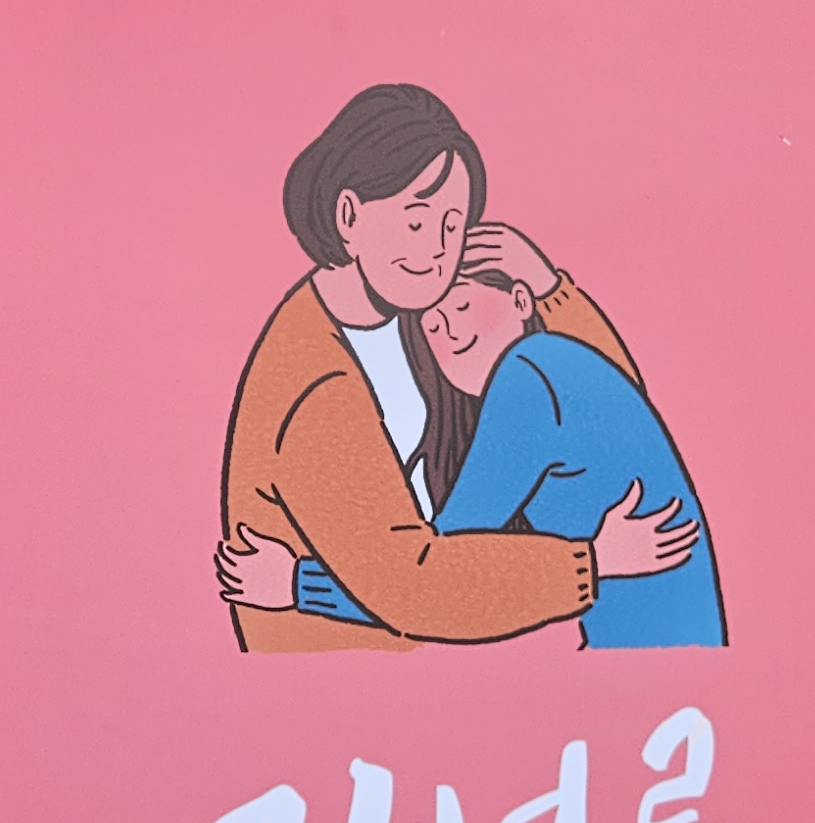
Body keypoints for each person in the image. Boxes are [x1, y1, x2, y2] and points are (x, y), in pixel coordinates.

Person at [214, 83, 699, 650]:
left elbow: (607, 414)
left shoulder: (418, 316)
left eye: (453, 225)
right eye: (417, 223)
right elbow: (411, 586)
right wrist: (589, 564)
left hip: (445, 636)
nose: (440, 251)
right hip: (358, 662)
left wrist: (549, 288)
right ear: (348, 216)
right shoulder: (315, 386)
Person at [238, 262, 723, 647]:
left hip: (653, 660)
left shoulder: (530, 374)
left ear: (520, 301)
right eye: (431, 325)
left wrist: (297, 584)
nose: (448, 331)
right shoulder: (567, 367)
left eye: (464, 304)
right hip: (662, 649)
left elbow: (430, 579)